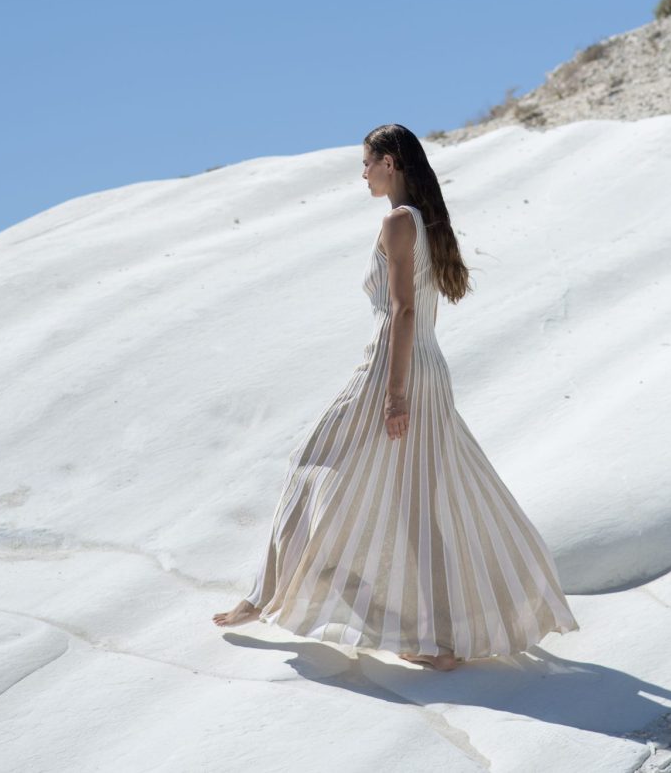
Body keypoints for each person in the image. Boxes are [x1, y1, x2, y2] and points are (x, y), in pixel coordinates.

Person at [213, 122, 579, 670]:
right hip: (425, 366)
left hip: (395, 367)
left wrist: (394, 395)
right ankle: (436, 637)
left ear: (391, 163)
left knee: (311, 465)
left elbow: (404, 311)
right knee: (424, 498)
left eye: (367, 162)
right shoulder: (426, 223)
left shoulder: (398, 222)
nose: (362, 173)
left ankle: (265, 595)